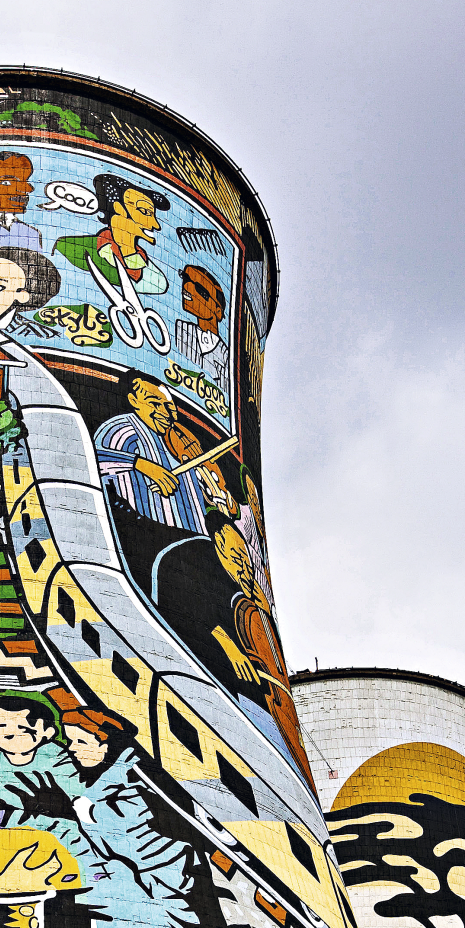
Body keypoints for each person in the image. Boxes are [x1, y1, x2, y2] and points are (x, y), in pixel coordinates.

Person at [12, 709, 235, 928]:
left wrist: (88, 814)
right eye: (70, 741)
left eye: (81, 741)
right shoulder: (104, 776)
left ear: (107, 744)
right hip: (129, 879)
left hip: (164, 882)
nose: (72, 749)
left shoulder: (137, 777)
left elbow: (135, 830)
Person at [152, 511, 315, 788]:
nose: (243, 564)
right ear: (217, 543)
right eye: (236, 556)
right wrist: (227, 644)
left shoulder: (240, 582)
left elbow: (259, 631)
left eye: (246, 558)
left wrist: (259, 599)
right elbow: (182, 602)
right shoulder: (192, 558)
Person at [95, 370, 230, 533]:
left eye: (169, 407)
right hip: (144, 535)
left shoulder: (173, 443)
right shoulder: (124, 429)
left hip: (193, 538)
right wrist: (142, 466)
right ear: (134, 401)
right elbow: (91, 460)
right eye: (155, 404)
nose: (166, 414)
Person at [0, 696, 86, 862]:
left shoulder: (55, 755)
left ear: (48, 732)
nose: (8, 734)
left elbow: (74, 792)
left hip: (54, 822)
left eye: (22, 727)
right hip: (2, 821)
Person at [55, 173, 170, 294]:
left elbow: (157, 284)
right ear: (119, 209)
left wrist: (128, 247)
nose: (156, 225)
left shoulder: (140, 254)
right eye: (144, 212)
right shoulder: (95, 244)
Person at [174, 264, 230, 392]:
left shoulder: (226, 359)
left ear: (218, 311)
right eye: (186, 279)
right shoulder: (180, 330)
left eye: (199, 289)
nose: (187, 287)